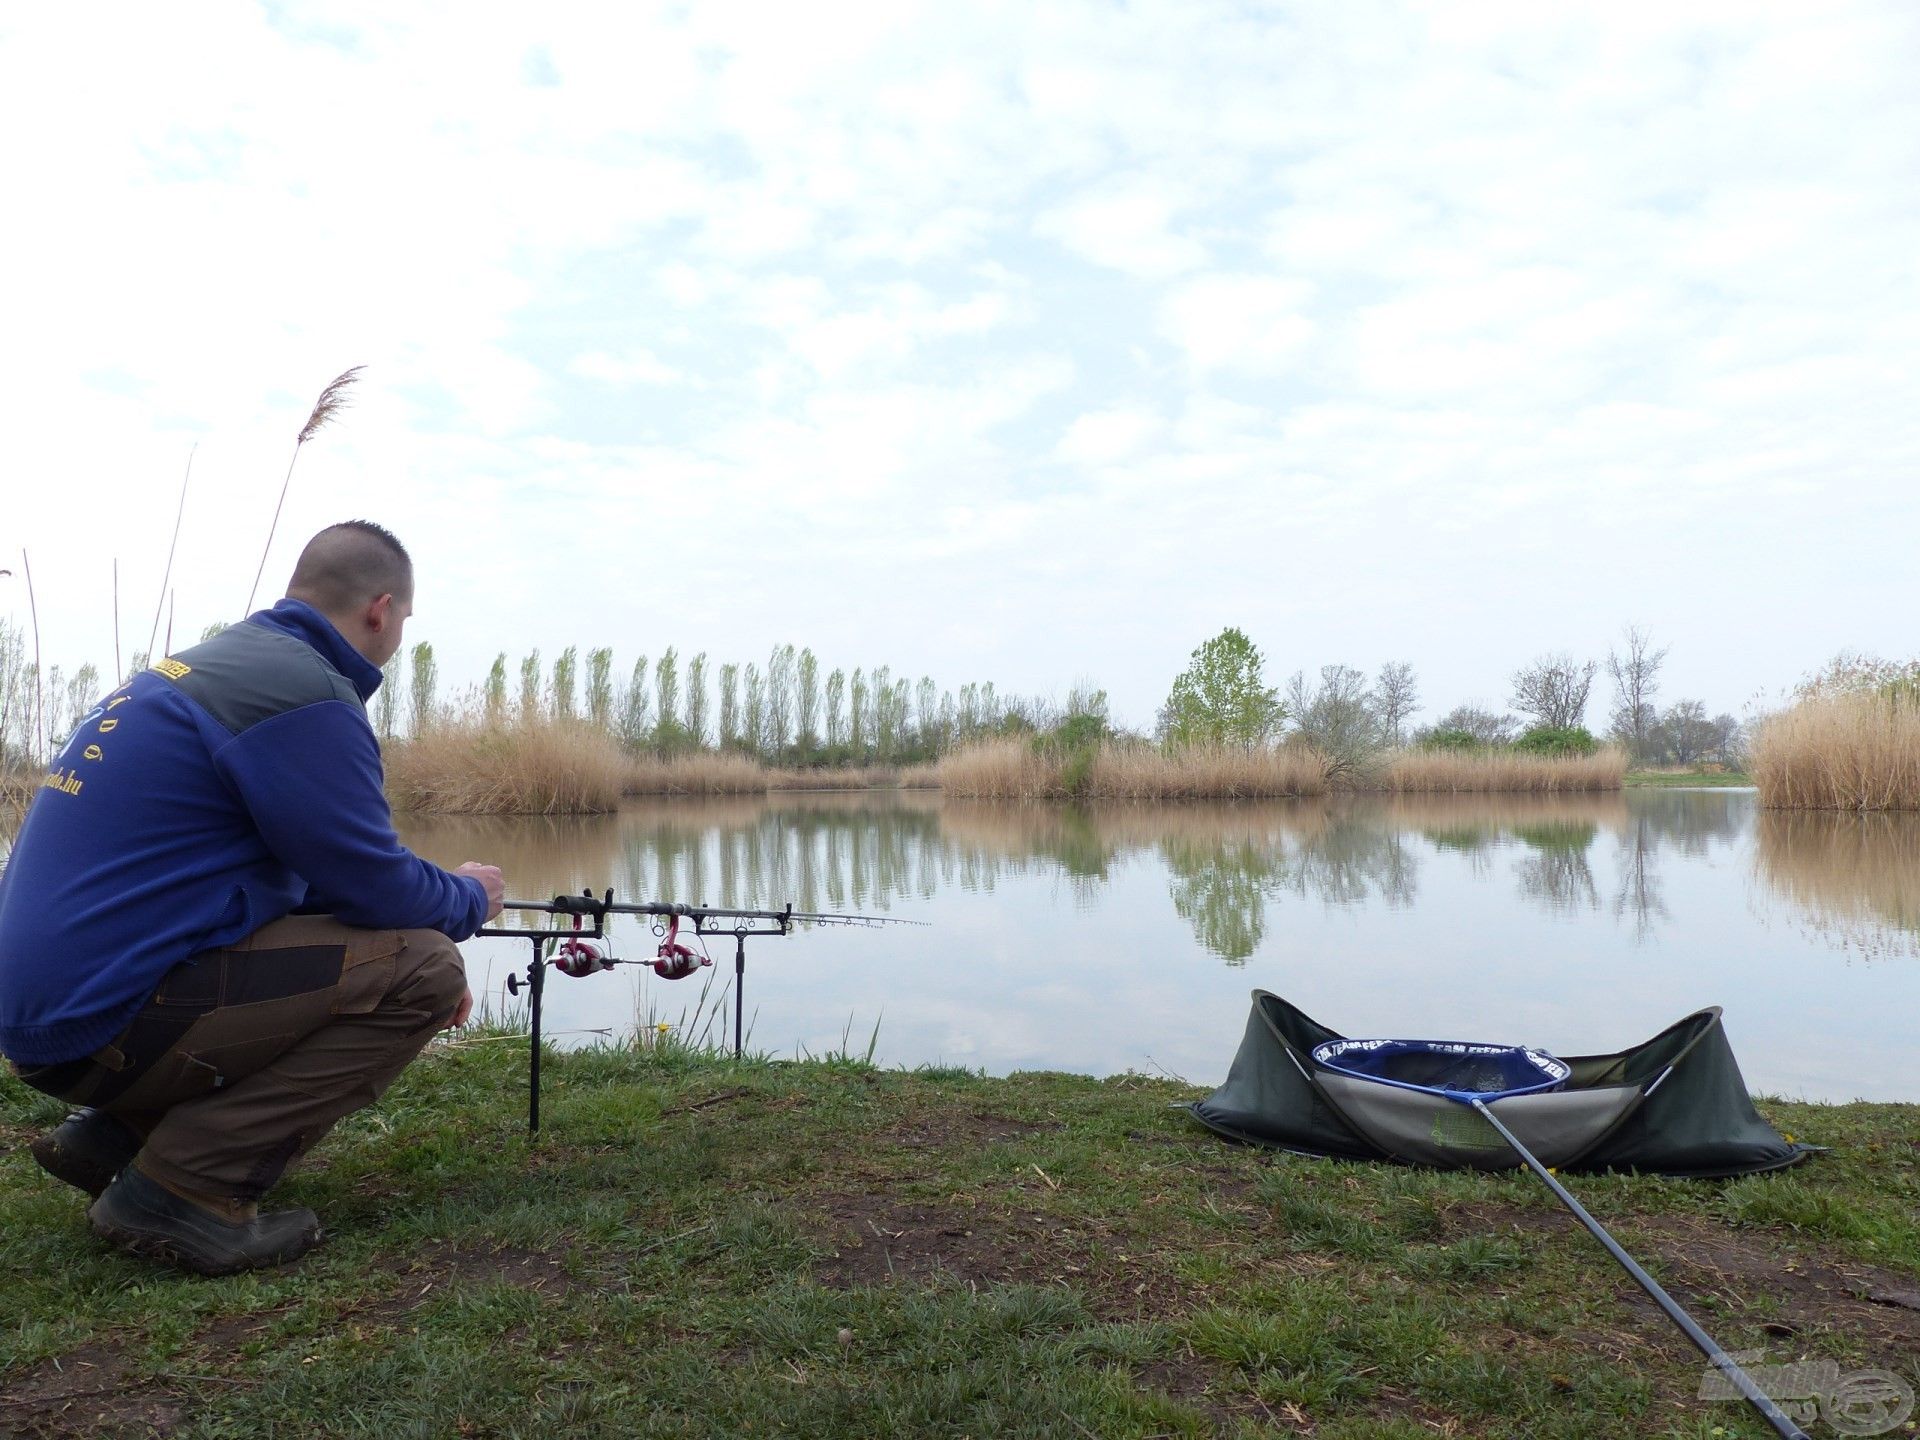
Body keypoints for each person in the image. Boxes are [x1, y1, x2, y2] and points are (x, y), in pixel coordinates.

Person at [0, 520, 505, 1275]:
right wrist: (468, 896)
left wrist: (385, 938)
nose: (398, 633)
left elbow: (306, 881)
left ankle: (115, 1135)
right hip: (96, 1020)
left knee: (395, 954)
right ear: (381, 608)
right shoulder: (305, 693)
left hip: (48, 1016)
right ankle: (183, 1187)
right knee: (425, 971)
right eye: (404, 619)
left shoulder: (207, 670)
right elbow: (375, 884)